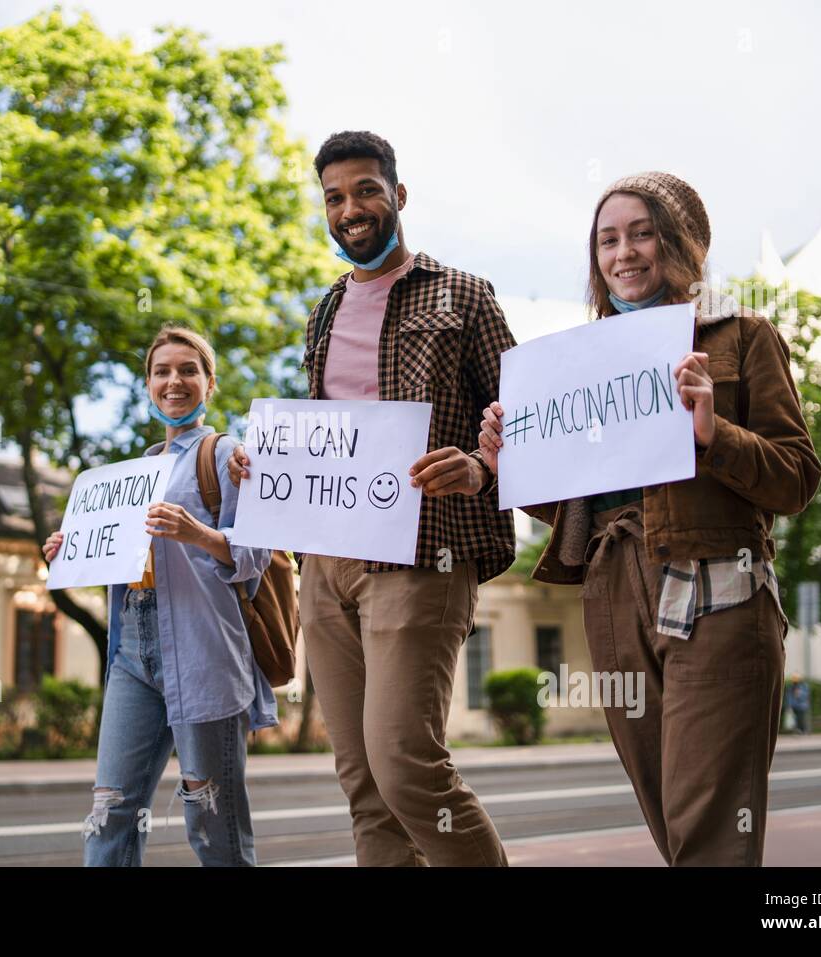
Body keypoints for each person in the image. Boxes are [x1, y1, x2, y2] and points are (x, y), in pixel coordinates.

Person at [479, 172, 821, 866]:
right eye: (607, 240)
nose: (623, 253)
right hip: (613, 596)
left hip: (717, 590)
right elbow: (584, 508)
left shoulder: (742, 336)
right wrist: (512, 464)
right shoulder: (579, 365)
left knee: (711, 825)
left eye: (642, 233)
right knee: (671, 817)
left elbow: (796, 477)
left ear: (681, 243)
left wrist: (711, 433)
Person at [228, 131, 516, 866]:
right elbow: (329, 436)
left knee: (404, 764)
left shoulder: (465, 294)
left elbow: (527, 419)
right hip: (326, 564)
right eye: (334, 197)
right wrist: (267, 469)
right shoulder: (322, 312)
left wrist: (481, 467)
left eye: (365, 190)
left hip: (421, 556)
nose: (350, 208)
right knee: (360, 781)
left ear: (398, 195)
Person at [43, 326, 277, 866]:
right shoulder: (133, 471)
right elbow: (114, 559)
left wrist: (196, 532)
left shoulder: (229, 457)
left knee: (212, 825)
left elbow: (254, 557)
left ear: (209, 384)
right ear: (148, 385)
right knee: (109, 814)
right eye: (161, 371)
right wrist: (67, 549)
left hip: (203, 655)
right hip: (132, 654)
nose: (174, 381)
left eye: (188, 370)